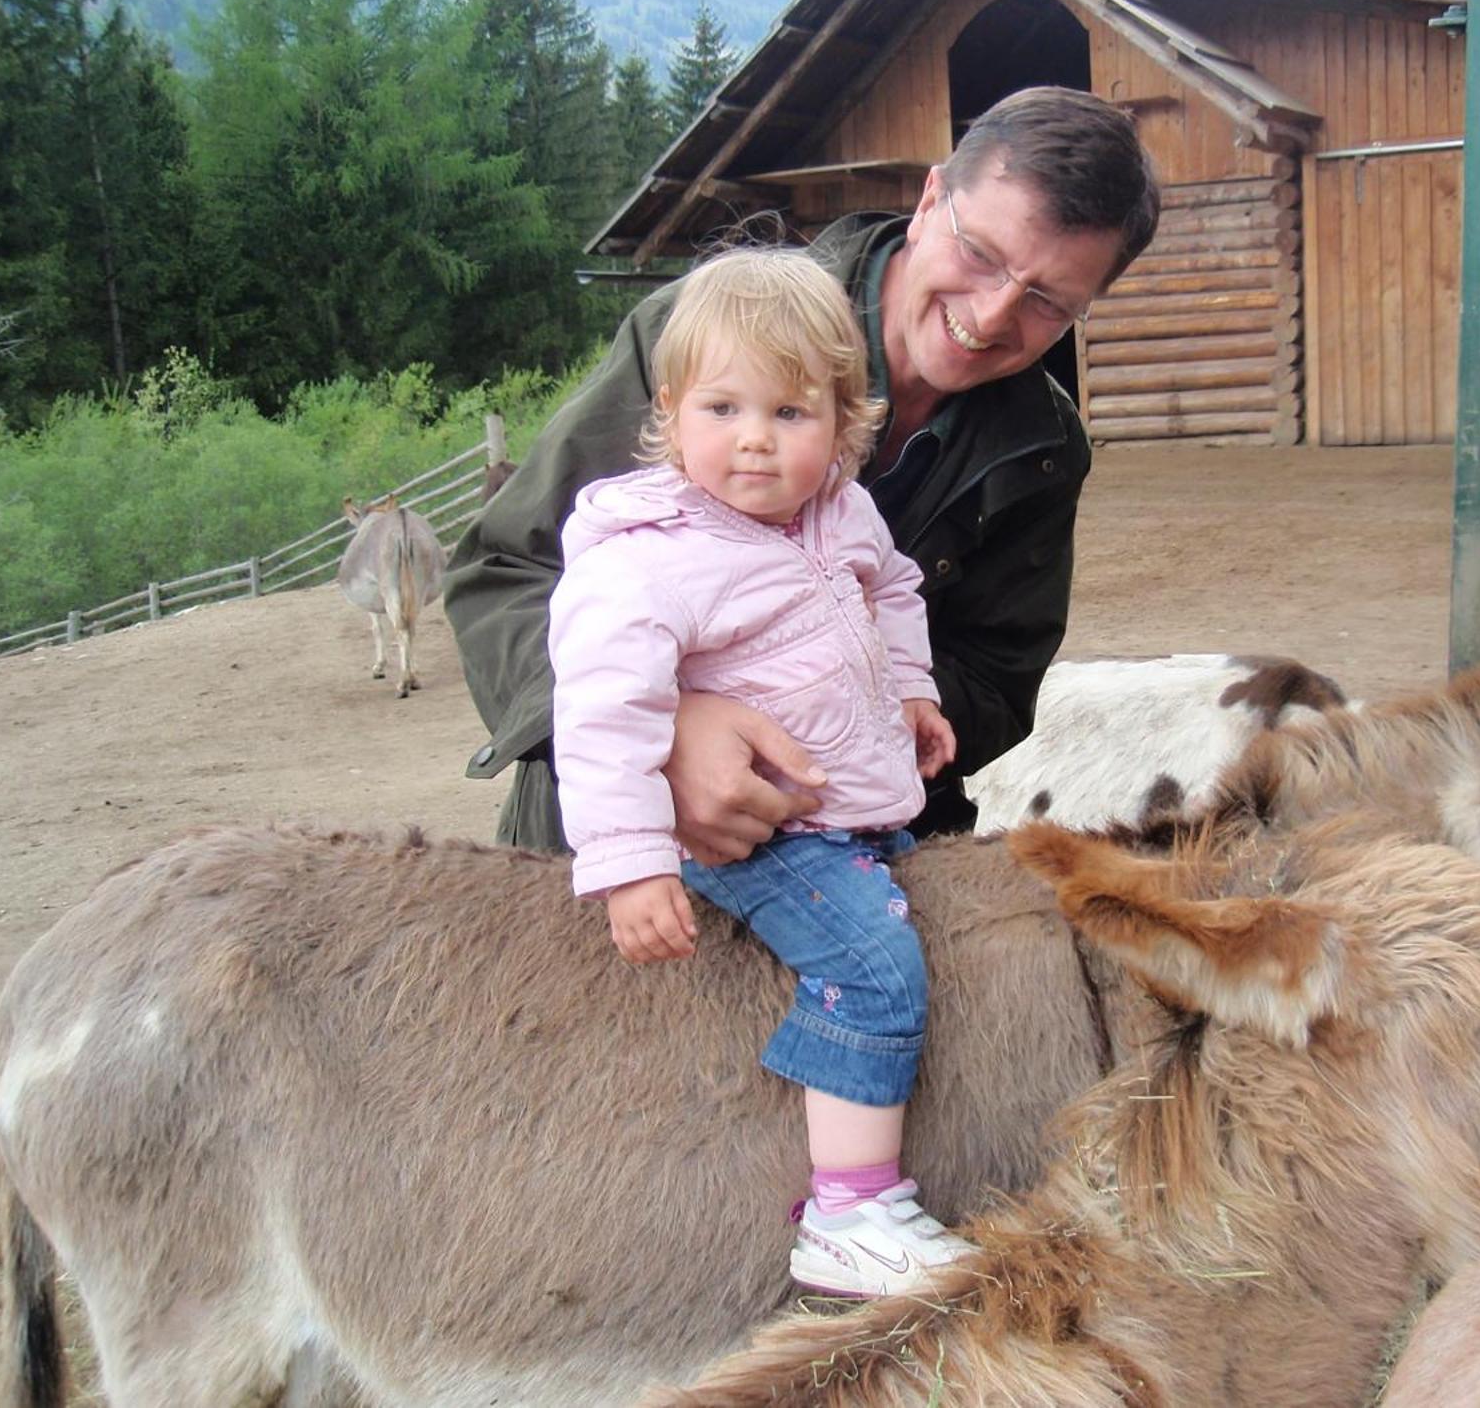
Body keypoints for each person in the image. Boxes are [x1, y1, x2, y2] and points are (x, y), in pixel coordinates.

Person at [445, 85, 1160, 857]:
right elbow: (505, 570)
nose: (990, 317)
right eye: (981, 254)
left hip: (858, 863)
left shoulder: (1046, 447)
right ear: (929, 201)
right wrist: (667, 737)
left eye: (1049, 302)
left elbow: (993, 677)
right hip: (615, 867)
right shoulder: (710, 332)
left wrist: (827, 720)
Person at [550, 246, 971, 1294]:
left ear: (842, 421)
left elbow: (895, 592)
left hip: (850, 810)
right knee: (876, 972)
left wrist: (912, 691)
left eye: (789, 414)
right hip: (755, 834)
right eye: (723, 409)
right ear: (669, 408)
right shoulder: (645, 555)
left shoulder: (842, 513)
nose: (753, 441)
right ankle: (850, 1209)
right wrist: (633, 863)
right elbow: (602, 711)